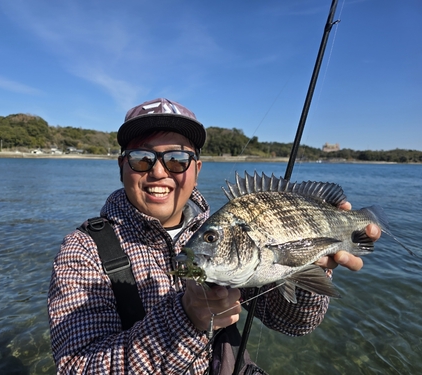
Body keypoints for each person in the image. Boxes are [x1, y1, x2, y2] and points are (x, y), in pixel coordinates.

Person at [48, 98, 381, 374]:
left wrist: (310, 266)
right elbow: (75, 366)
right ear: (122, 166)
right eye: (141, 158)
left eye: (177, 159)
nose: (159, 171)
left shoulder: (220, 229)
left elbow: (293, 324)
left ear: (197, 169)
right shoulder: (84, 251)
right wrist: (185, 320)